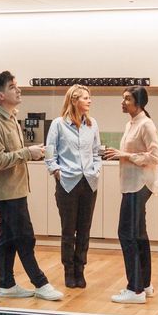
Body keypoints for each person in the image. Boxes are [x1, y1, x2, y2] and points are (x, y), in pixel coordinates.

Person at [0, 71, 63, 301]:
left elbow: (13, 155)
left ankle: (6, 283)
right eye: (13, 87)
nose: (18, 89)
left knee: (9, 237)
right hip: (6, 191)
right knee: (25, 236)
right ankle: (40, 283)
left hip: (16, 188)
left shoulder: (10, 117)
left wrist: (31, 152)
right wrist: (27, 153)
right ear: (0, 95)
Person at [104, 85, 158, 304]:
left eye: (127, 99)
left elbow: (155, 157)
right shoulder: (131, 123)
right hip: (132, 185)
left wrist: (124, 155)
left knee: (126, 234)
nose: (123, 101)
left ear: (138, 102)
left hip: (139, 185)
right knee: (138, 235)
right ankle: (144, 285)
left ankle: (134, 288)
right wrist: (123, 155)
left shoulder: (146, 124)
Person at [45, 84, 102, 288]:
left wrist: (96, 170)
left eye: (89, 97)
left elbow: (96, 152)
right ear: (73, 100)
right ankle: (69, 270)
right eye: (85, 98)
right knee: (68, 230)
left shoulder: (92, 124)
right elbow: (50, 153)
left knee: (84, 229)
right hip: (67, 183)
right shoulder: (58, 124)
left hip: (88, 182)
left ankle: (80, 269)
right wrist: (56, 172)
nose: (89, 101)